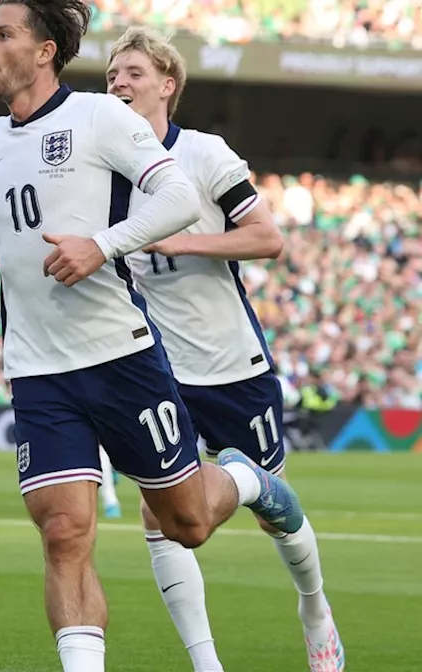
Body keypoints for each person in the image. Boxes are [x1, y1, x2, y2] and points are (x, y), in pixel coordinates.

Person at [0, 1, 304, 669]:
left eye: (2, 34)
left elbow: (175, 196)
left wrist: (103, 245)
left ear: (44, 52)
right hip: (37, 369)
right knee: (63, 533)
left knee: (189, 524)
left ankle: (246, 479)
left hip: (121, 357)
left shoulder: (99, 116)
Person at [105, 26, 344, 672]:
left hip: (233, 366)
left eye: (131, 72)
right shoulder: (105, 170)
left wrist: (181, 242)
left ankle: (315, 608)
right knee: (158, 516)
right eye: (111, 75)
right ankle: (206, 664)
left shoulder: (206, 156)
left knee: (277, 514)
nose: (118, 83)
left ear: (166, 84)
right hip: (155, 371)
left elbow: (267, 239)